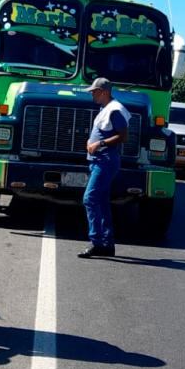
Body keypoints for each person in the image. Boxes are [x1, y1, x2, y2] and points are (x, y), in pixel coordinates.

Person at [78, 77, 130, 258]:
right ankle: (107, 243)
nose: (92, 94)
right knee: (101, 201)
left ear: (104, 92)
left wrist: (98, 143)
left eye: (95, 91)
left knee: (90, 198)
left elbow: (123, 136)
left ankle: (97, 242)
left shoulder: (115, 110)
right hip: (99, 160)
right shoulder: (106, 109)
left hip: (105, 161)